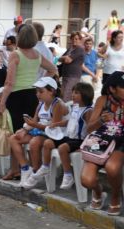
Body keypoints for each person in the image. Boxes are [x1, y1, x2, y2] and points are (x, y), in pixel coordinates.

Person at [0, 24, 57, 180]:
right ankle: (25, 168)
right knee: (26, 133)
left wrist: (2, 101)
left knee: (15, 135)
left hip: (16, 96)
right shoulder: (37, 54)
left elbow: (9, 82)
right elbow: (53, 69)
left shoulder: (15, 55)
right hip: (32, 96)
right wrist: (39, 83)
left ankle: (18, 169)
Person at [24, 82, 94, 189]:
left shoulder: (88, 111)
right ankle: (45, 167)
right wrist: (56, 124)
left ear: (85, 94)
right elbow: (70, 121)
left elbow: (91, 130)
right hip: (69, 137)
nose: (73, 95)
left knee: (62, 147)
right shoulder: (75, 107)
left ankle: (68, 174)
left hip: (79, 140)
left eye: (76, 93)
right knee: (48, 143)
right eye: (73, 92)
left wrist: (85, 146)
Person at [9, 77, 68, 186]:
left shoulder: (57, 104)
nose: (37, 94)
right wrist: (24, 129)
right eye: (37, 91)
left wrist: (32, 125)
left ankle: (35, 171)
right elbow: (35, 120)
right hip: (40, 131)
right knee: (14, 138)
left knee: (34, 142)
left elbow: (53, 127)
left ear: (52, 91)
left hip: (53, 135)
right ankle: (25, 168)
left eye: (41, 91)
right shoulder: (41, 103)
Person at [81, 71, 124, 216]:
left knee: (112, 168)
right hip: (100, 141)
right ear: (112, 88)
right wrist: (101, 120)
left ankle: (115, 195)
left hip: (120, 143)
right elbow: (89, 128)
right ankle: (98, 191)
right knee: (86, 180)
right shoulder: (102, 100)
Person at [59, 31, 85, 102]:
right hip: (66, 76)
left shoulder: (79, 49)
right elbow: (59, 59)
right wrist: (64, 57)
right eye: (73, 38)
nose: (74, 40)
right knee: (63, 95)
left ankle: (66, 112)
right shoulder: (69, 49)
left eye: (76, 39)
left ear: (80, 40)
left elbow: (68, 60)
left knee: (66, 97)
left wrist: (64, 58)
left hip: (73, 76)